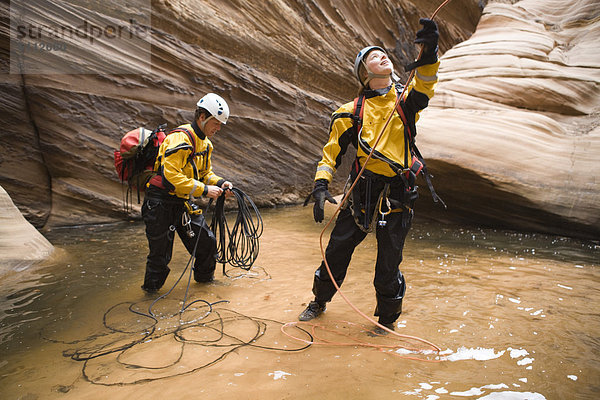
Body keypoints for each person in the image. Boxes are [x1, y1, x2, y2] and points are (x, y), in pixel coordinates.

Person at [299, 19, 441, 332]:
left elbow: (427, 83)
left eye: (383, 54)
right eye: (373, 56)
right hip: (362, 189)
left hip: (398, 189)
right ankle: (319, 301)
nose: (382, 56)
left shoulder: (406, 100)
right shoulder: (350, 112)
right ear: (364, 74)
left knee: (388, 261)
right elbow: (331, 152)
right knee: (337, 249)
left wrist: (430, 51)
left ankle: (386, 321)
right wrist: (321, 186)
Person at [141, 93, 233, 293]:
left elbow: (205, 173)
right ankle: (150, 296)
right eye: (215, 123)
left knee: (206, 243)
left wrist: (221, 183)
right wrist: (205, 190)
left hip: (181, 202)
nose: (218, 128)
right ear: (202, 117)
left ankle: (205, 287)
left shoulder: (206, 144)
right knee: (160, 256)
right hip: (159, 203)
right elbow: (170, 177)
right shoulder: (179, 139)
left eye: (220, 125)